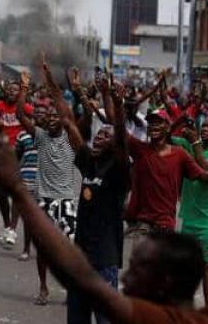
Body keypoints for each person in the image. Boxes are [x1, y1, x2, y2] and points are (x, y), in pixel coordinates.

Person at [0, 119, 208, 324]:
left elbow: (79, 275)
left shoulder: (144, 317)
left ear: (163, 283)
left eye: (137, 269)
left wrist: (19, 192)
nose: (126, 277)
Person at [65, 76, 130, 324]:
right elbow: (70, 128)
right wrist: (75, 92)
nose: (99, 137)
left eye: (105, 136)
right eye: (98, 134)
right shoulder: (88, 162)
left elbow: (122, 139)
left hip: (104, 260)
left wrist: (118, 104)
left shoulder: (119, 170)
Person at [17, 63, 77, 306]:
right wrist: (23, 88)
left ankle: (70, 288)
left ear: (63, 121)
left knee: (69, 250)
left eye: (56, 117)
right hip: (44, 200)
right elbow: (20, 115)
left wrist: (52, 79)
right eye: (49, 117)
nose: (52, 120)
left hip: (67, 202)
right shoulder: (40, 137)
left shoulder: (72, 138)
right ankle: (43, 287)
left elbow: (65, 106)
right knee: (43, 248)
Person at [175, 115, 208, 308]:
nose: (205, 129)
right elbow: (164, 137)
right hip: (189, 215)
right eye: (203, 126)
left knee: (206, 265)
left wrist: (196, 144)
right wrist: (179, 122)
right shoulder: (187, 145)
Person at [0, 79, 33, 247]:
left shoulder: (25, 108)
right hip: (1, 153)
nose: (11, 92)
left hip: (19, 154)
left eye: (15, 90)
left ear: (19, 93)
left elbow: (37, 118)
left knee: (15, 191)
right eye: (8, 89)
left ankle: (13, 230)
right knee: (0, 193)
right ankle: (7, 227)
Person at [14, 103, 46, 261]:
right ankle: (26, 248)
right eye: (37, 112)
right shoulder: (23, 135)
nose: (39, 115)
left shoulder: (53, 135)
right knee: (29, 219)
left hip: (47, 184)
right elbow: (17, 156)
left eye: (43, 113)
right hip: (27, 181)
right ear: (32, 116)